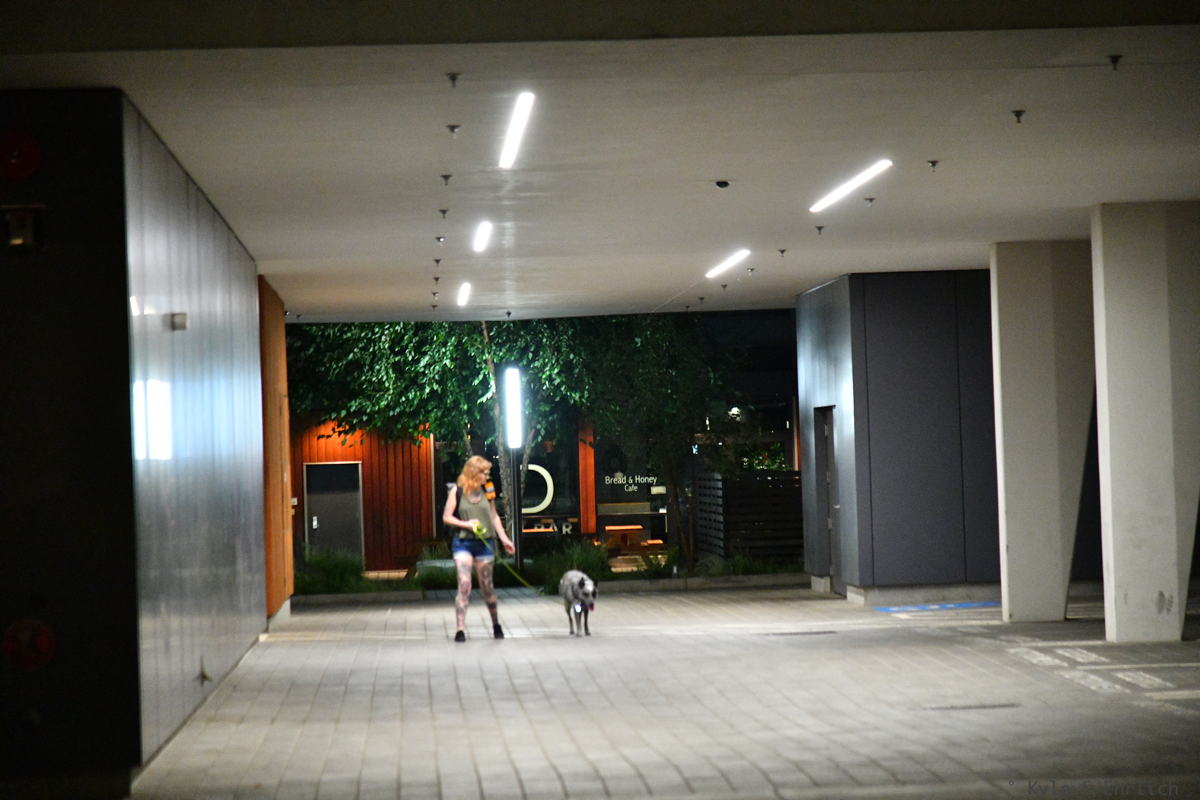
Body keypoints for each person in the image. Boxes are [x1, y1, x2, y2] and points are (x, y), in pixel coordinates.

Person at [442, 455, 516, 641]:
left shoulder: (488, 489)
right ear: (474, 472)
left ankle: (496, 624)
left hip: (485, 543)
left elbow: (494, 516)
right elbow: (447, 517)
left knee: (487, 587)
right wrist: (466, 524)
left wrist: (505, 539)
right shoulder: (458, 491)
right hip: (463, 543)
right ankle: (460, 629)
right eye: (484, 472)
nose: (487, 476)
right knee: (464, 583)